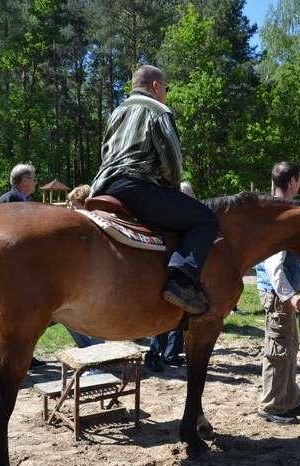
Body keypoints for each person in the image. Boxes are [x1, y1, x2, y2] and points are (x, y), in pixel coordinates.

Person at [90, 65, 218, 316]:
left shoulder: (117, 111)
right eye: (166, 88)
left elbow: (104, 151)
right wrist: (172, 190)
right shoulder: (158, 110)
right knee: (206, 219)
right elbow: (172, 159)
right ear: (157, 86)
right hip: (137, 186)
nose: (166, 94)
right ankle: (181, 281)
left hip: (105, 185)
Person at [255, 162, 300, 424]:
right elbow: (272, 264)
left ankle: (289, 399)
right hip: (278, 294)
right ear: (291, 182)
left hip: (284, 291)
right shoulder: (278, 214)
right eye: (299, 180)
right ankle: (271, 405)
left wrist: (299, 281)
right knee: (277, 349)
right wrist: (290, 295)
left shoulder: (280, 210)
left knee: (288, 345)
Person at [0, 164, 46, 368]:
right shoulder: (9, 202)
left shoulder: (25, 201)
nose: (35, 181)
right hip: (11, 271)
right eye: (33, 178)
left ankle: (26, 356)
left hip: (26, 269)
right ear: (24, 180)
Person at [145, 180, 197, 372]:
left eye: (191, 196)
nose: (189, 199)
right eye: (186, 196)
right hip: (168, 274)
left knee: (178, 318)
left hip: (182, 277)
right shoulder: (170, 219)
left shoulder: (189, 220)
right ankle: (153, 355)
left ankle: (171, 354)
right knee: (162, 322)